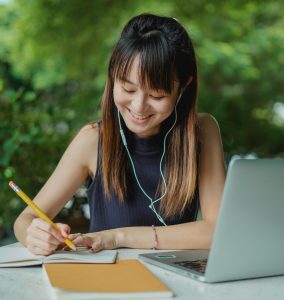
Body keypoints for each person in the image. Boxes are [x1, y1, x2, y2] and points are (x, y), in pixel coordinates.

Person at [14, 13, 226, 256]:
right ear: (113, 75)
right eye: (128, 88)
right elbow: (26, 219)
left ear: (184, 85)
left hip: (177, 284)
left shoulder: (202, 131)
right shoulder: (92, 140)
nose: (138, 106)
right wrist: (36, 234)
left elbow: (216, 230)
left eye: (157, 96)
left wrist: (117, 237)